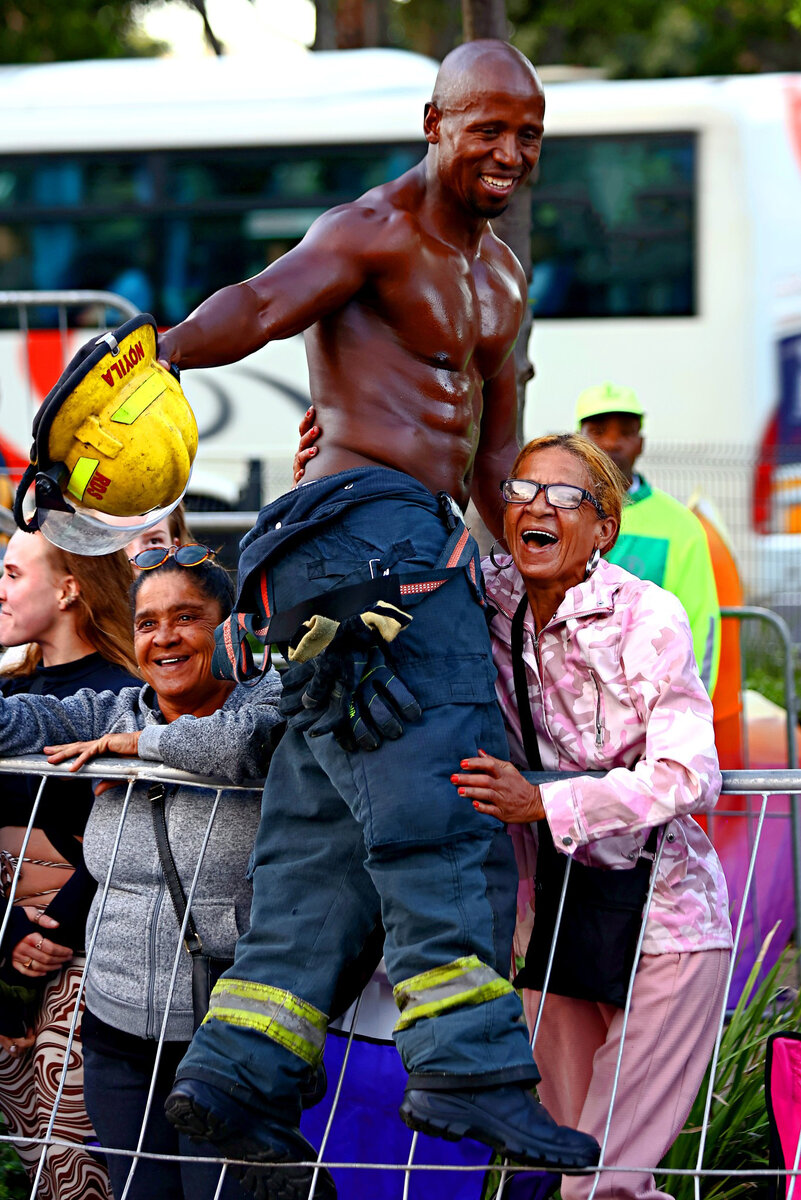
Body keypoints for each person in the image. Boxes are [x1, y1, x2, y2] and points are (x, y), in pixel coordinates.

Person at [156, 36, 600, 1200]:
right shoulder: (368, 229)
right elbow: (255, 305)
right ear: (434, 121)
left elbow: (497, 455)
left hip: (413, 544)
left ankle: (237, 1077)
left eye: (530, 135)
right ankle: (471, 1070)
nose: (510, 152)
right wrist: (149, 357)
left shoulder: (505, 279)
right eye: (488, 127)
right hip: (361, 539)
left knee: (325, 838)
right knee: (448, 799)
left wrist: (556, 569)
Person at [450, 433, 733, 1200]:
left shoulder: (647, 616)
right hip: (556, 921)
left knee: (599, 1185)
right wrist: (323, 465)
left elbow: (687, 773)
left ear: (603, 528)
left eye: (566, 496)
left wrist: (545, 800)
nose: (538, 506)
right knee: (570, 1167)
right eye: (522, 491)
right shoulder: (486, 595)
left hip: (667, 928)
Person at [0, 552, 282, 1200]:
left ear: (228, 628)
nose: (164, 638)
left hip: (230, 1030)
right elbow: (16, 725)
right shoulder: (114, 708)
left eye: (187, 618)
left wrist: (139, 749)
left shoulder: (264, 700)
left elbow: (240, 746)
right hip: (116, 1031)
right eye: (148, 623)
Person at [0, 530, 140, 1200]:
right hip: (4, 937)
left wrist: (49, 932)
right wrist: (4, 933)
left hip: (83, 947)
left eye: (11, 573)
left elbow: (131, 826)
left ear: (67, 588)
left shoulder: (131, 695)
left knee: (68, 1163)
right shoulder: (7, 693)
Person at [575, 382, 720, 695]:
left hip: (649, 705)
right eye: (599, 431)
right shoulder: (557, 512)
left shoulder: (680, 525)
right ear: (578, 439)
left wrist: (690, 709)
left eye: (625, 432)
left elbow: (700, 623)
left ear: (641, 442)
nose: (612, 443)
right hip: (567, 704)